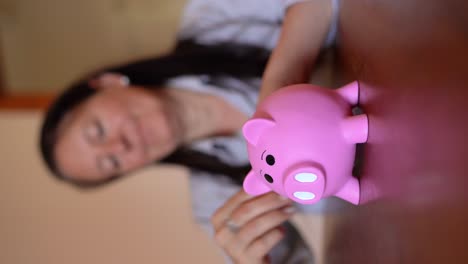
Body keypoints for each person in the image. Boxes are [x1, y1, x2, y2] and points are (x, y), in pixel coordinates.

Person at [39, 0, 332, 263]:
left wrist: (279, 83)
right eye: (112, 163)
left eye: (98, 131)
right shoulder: (215, 202)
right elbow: (293, 259)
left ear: (107, 83)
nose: (120, 146)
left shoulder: (209, 16)